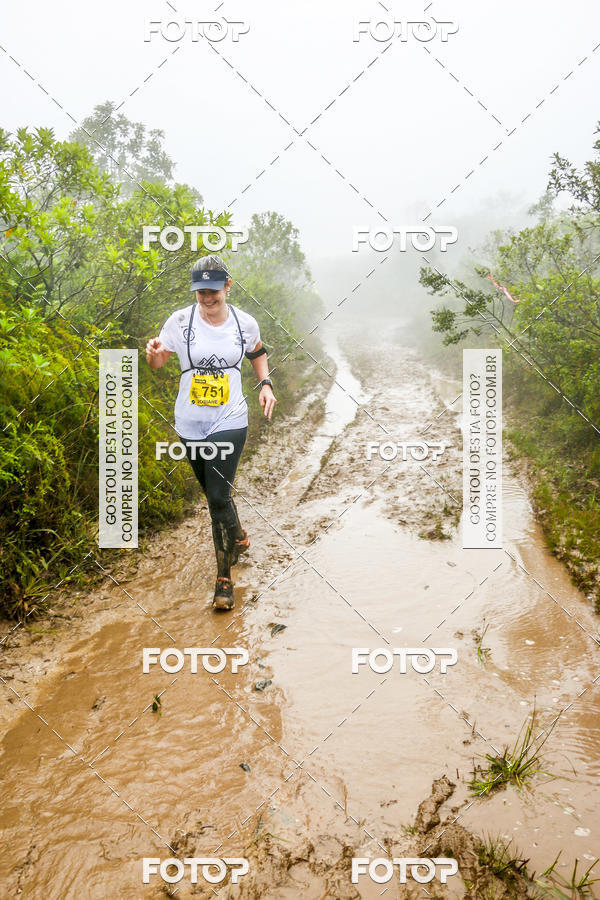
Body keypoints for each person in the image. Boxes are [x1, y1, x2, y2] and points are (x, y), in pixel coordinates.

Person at [145, 255, 276, 610]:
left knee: (217, 497)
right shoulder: (180, 321)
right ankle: (238, 535)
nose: (207, 298)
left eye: (214, 290)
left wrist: (265, 384)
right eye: (201, 291)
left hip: (230, 420)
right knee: (216, 494)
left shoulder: (243, 323)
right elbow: (159, 362)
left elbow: (258, 353)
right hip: (190, 422)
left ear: (227, 287)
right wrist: (153, 354)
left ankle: (223, 580)